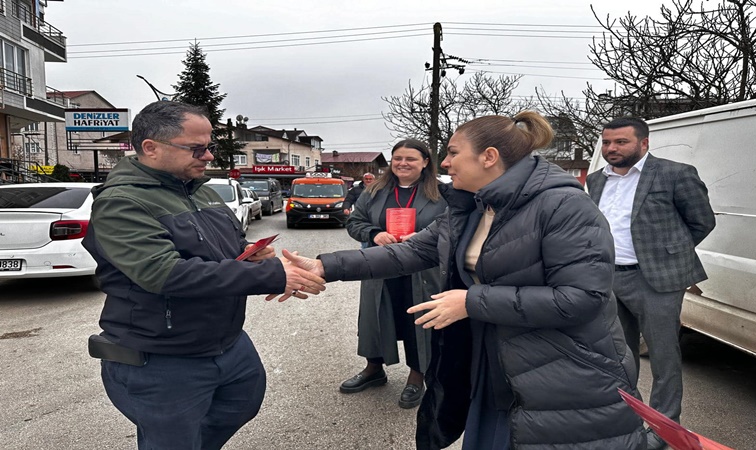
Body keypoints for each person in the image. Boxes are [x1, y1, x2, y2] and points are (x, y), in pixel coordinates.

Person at [284, 112, 646, 449]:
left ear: (488, 157)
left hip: (559, 369)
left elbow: (582, 298)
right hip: (496, 359)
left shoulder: (564, 206)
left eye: (453, 152)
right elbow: (407, 253)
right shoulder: (471, 206)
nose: (444, 163)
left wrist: (470, 301)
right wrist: (325, 266)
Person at [82, 100, 325, 450]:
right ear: (150, 148)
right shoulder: (122, 202)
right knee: (172, 441)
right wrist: (271, 276)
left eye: (208, 145)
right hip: (163, 357)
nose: (209, 156)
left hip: (226, 343)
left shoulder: (203, 192)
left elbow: (228, 249)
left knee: (242, 403)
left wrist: (254, 256)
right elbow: (164, 273)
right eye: (196, 148)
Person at [586, 116, 716, 450]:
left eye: (621, 142)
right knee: (619, 356)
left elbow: (702, 221)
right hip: (611, 277)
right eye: (607, 142)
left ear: (644, 143)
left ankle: (664, 431)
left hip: (657, 280)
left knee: (663, 358)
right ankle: (625, 421)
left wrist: (668, 253)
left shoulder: (675, 174)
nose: (612, 148)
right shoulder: (597, 180)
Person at [340, 139, 447, 409]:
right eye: (397, 158)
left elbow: (453, 227)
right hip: (380, 266)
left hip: (422, 269)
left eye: (410, 158)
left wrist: (424, 238)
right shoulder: (375, 191)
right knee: (374, 318)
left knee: (420, 321)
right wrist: (374, 234)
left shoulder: (442, 193)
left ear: (425, 162)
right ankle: (374, 368)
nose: (402, 163)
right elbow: (354, 222)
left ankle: (417, 376)